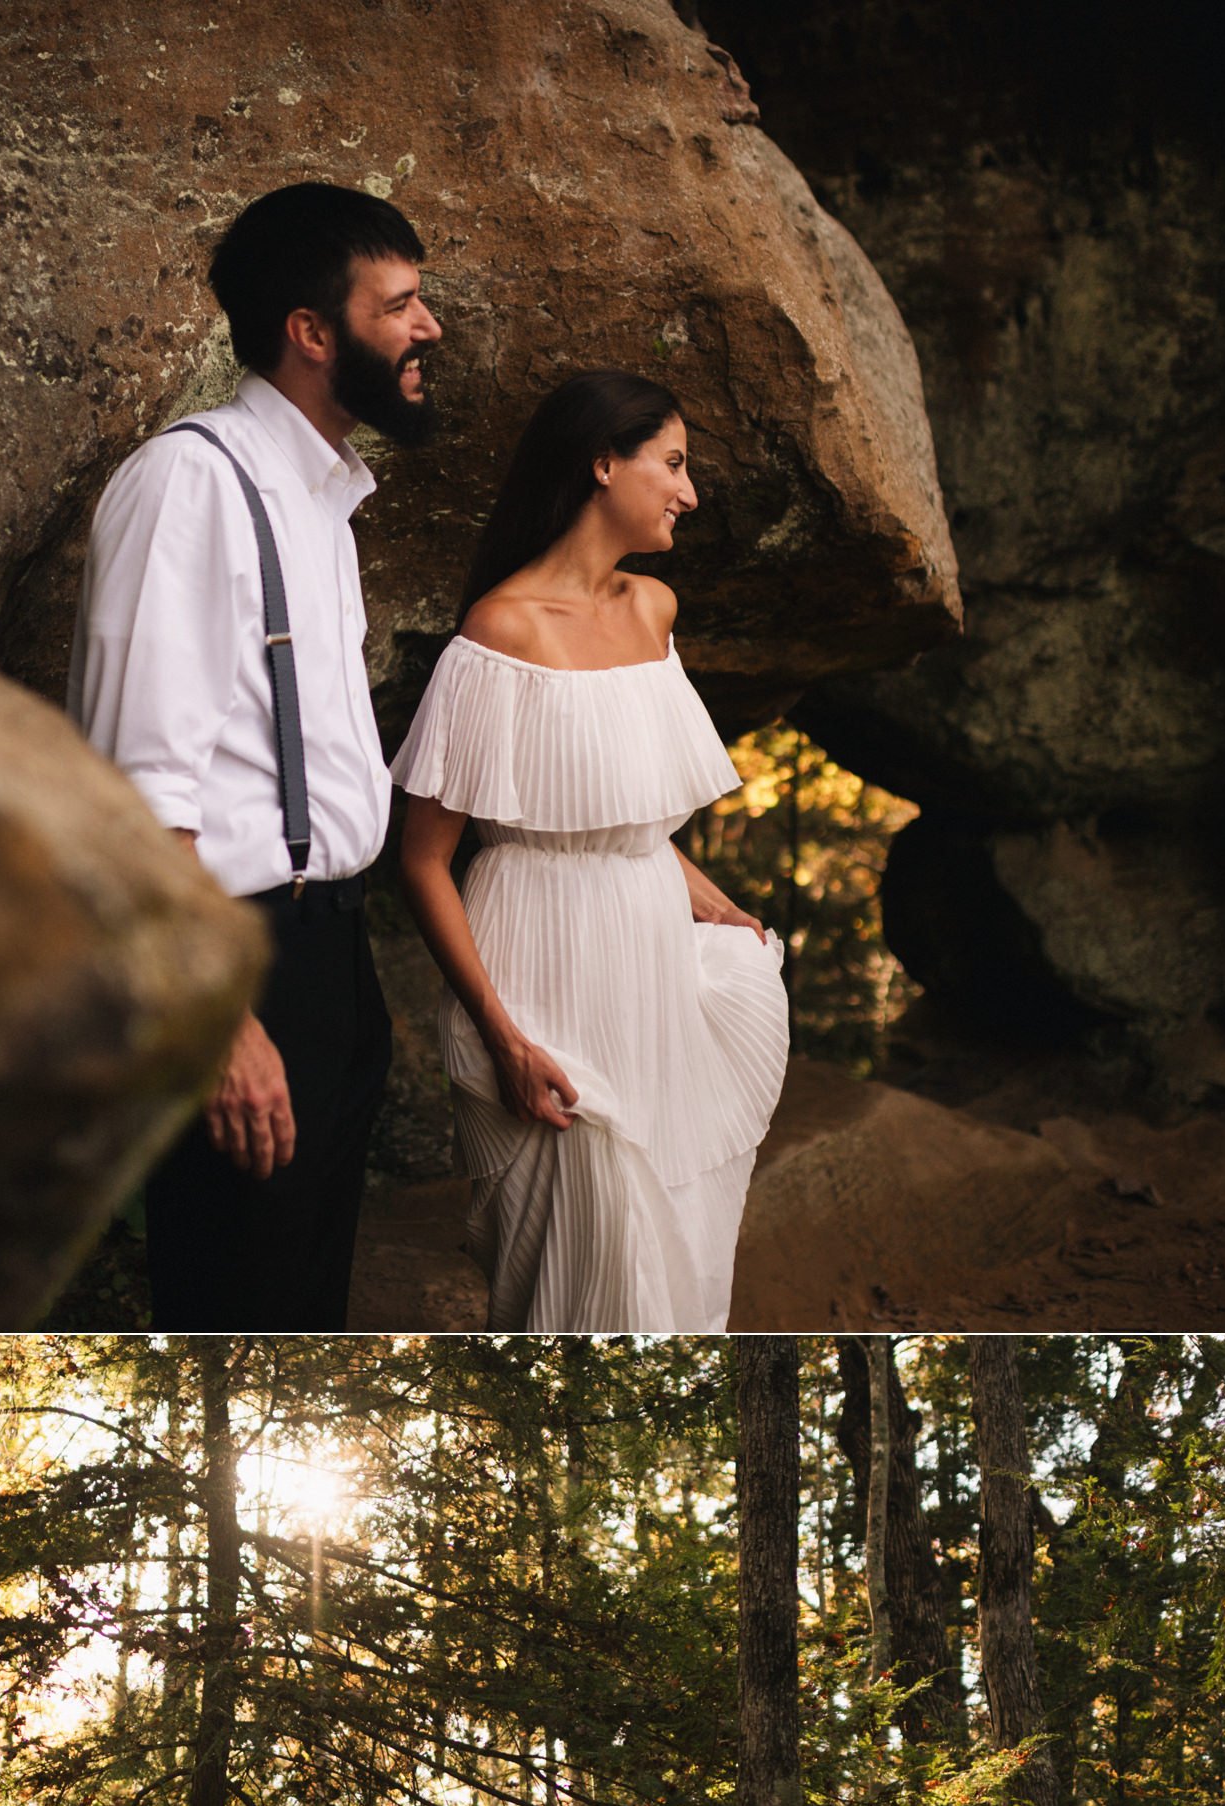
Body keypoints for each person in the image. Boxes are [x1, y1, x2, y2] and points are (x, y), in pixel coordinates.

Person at [68, 183, 443, 1326]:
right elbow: (135, 793)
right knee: (238, 1313)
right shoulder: (192, 483)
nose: (428, 327)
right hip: (237, 960)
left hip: (330, 961)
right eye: (400, 305)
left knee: (303, 1305)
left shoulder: (322, 501)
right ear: (311, 332)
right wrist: (220, 1024)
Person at [389, 375, 790, 1330]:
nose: (689, 493)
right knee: (576, 1260)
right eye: (675, 463)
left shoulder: (655, 609)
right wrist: (506, 1039)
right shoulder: (501, 631)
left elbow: (630, 818)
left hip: (649, 963)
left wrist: (715, 902)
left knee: (672, 1241)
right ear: (603, 463)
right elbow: (419, 861)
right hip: (541, 969)